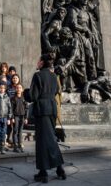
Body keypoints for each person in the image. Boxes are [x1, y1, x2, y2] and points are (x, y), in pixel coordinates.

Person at [28, 53, 66, 183]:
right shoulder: (54, 76)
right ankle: (59, 169)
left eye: (38, 61)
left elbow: (33, 96)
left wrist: (26, 93)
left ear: (42, 63)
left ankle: (44, 172)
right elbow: (55, 91)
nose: (37, 63)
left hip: (42, 109)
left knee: (43, 141)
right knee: (50, 139)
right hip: (52, 108)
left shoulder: (37, 75)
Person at [0, 82, 12, 155]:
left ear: (5, 89)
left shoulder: (7, 97)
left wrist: (9, 118)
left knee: (3, 133)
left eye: (3, 88)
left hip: (5, 117)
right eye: (0, 88)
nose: (2, 89)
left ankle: (2, 147)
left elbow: (9, 107)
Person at [11, 83, 28, 153]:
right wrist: (12, 117)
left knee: (20, 131)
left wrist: (26, 118)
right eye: (17, 88)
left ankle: (20, 145)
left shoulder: (24, 98)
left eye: (20, 88)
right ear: (15, 89)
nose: (18, 89)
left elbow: (26, 108)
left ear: (22, 89)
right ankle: (15, 146)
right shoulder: (13, 98)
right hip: (16, 116)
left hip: (22, 116)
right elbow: (11, 109)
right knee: (15, 131)